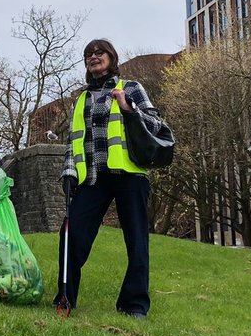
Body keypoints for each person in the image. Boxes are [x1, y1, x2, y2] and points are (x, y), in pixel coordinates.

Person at [55, 39, 167, 319]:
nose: (93, 57)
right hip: (93, 177)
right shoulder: (81, 99)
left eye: (99, 52)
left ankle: (134, 305)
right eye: (88, 54)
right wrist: (69, 171)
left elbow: (156, 124)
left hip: (129, 175)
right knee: (71, 235)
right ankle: (65, 298)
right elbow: (73, 141)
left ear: (111, 57)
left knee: (136, 240)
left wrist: (129, 108)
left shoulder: (131, 87)